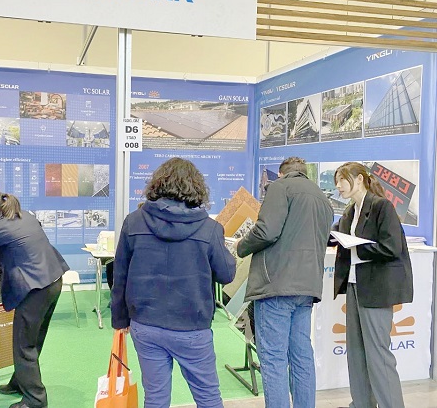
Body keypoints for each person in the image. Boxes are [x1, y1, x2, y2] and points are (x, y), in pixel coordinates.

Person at [111, 157, 236, 408]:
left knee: (155, 398)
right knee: (208, 397)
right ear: (196, 188)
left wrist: (119, 320)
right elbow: (226, 275)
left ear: (157, 184)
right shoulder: (210, 229)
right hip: (192, 326)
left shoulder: (133, 221)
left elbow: (119, 275)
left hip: (145, 324)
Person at [236, 156, 333, 408]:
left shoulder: (280, 187)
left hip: (276, 285)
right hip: (307, 287)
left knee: (273, 359)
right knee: (302, 356)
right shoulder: (323, 198)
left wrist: (240, 246)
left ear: (281, 174)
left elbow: (266, 231)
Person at [0, 186, 69, 408]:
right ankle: (20, 382)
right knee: (34, 339)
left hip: (34, 288)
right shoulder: (25, 215)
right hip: (54, 279)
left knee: (24, 345)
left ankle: (35, 400)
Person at [332, 162, 412, 408]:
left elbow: (391, 247)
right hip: (354, 286)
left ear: (359, 179)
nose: (338, 186)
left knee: (378, 354)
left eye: (342, 180)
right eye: (337, 181)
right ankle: (362, 403)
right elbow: (334, 235)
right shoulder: (349, 211)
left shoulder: (381, 207)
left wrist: (358, 246)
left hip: (376, 289)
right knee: (356, 353)